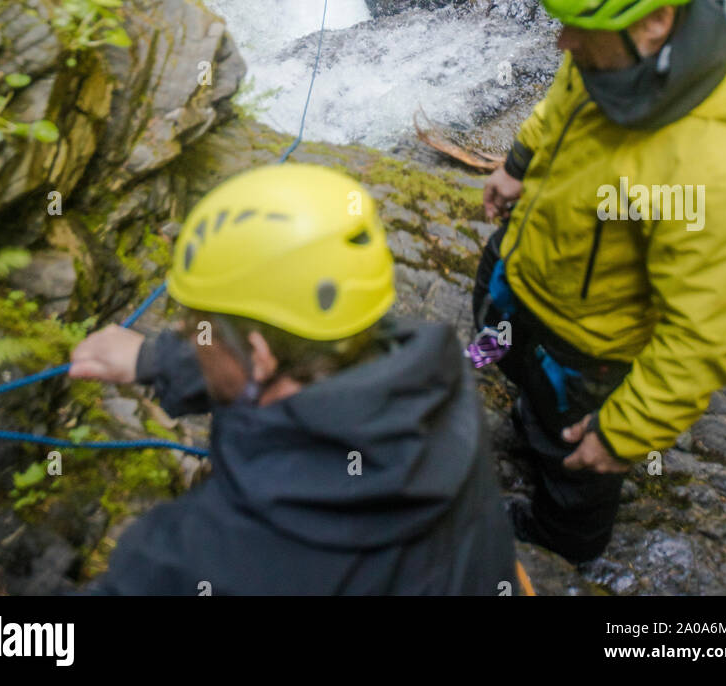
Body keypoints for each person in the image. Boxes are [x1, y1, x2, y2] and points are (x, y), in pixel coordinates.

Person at [472, 0, 726, 565]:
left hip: (586, 352)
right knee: (528, 398)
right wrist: (518, 163)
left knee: (574, 473)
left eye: (577, 28)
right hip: (529, 275)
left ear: (655, 22)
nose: (562, 41)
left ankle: (565, 543)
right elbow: (563, 101)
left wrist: (621, 434)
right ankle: (526, 411)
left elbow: (704, 338)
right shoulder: (608, 48)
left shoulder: (712, 170)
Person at [70, 162, 518, 595]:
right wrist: (155, 359)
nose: (188, 334)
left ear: (260, 357)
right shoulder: (441, 381)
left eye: (197, 327)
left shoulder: (191, 562)